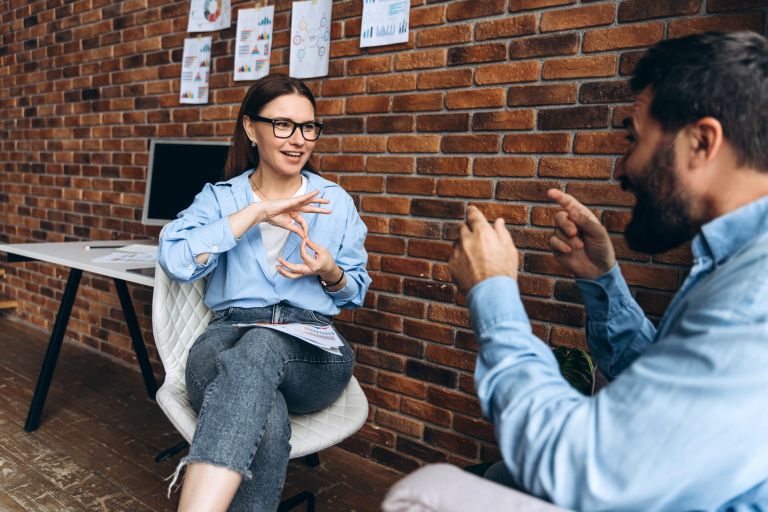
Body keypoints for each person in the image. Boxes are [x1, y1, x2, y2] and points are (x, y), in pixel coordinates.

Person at [383, 31, 768, 511]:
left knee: (427, 492)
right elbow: (666, 386)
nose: (622, 169)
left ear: (702, 142)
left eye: (635, 139)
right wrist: (601, 279)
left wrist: (492, 290)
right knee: (499, 475)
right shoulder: (738, 265)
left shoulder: (753, 299)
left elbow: (575, 466)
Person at [158, 74, 371, 512]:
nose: (299, 140)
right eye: (283, 125)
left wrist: (331, 271)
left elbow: (353, 294)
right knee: (266, 419)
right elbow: (176, 260)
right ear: (251, 129)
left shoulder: (335, 201)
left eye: (309, 127)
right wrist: (253, 214)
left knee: (265, 343)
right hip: (223, 343)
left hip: (311, 352)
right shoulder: (220, 199)